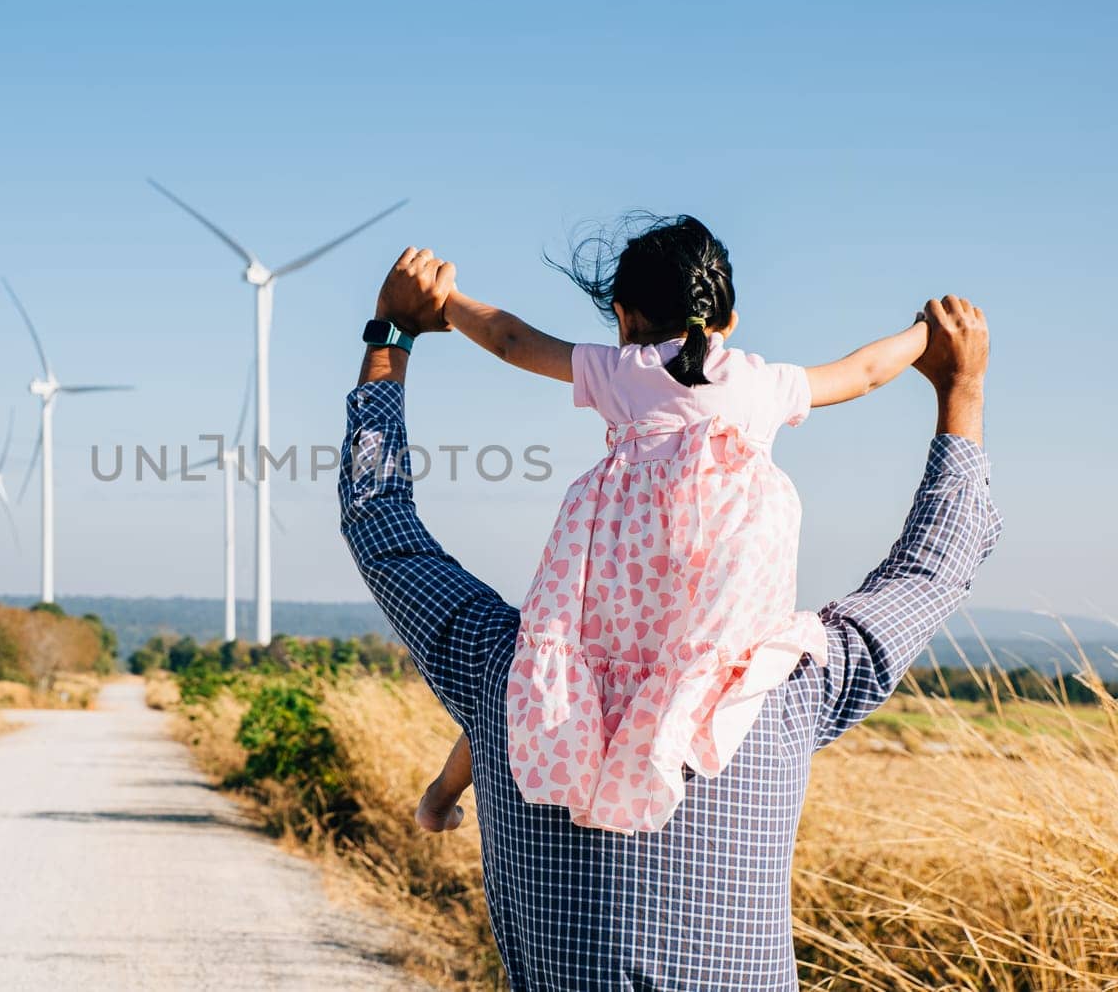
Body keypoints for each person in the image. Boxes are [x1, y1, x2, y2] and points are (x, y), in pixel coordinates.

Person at [340, 246, 999, 990]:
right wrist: (956, 385)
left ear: (624, 319)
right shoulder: (780, 690)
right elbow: (934, 564)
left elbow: (379, 519)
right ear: (729, 321)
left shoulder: (517, 682)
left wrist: (396, 334)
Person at [413, 214, 931, 835]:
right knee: (697, 693)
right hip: (718, 605)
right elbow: (867, 371)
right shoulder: (764, 384)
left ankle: (442, 797)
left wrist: (447, 303)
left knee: (543, 671)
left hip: (613, 589)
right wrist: (924, 333)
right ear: (728, 320)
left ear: (624, 314)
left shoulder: (623, 370)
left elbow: (511, 341)